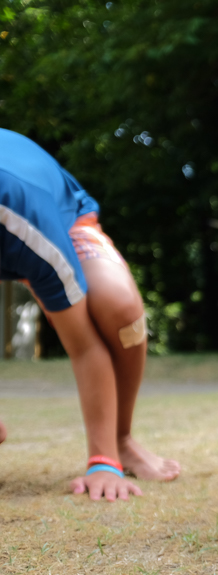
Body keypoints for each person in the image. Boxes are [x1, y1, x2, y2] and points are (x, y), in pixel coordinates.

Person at [0, 129, 181, 500]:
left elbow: (84, 348)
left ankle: (121, 439)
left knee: (120, 312)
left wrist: (103, 461)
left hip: (62, 217)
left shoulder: (28, 222)